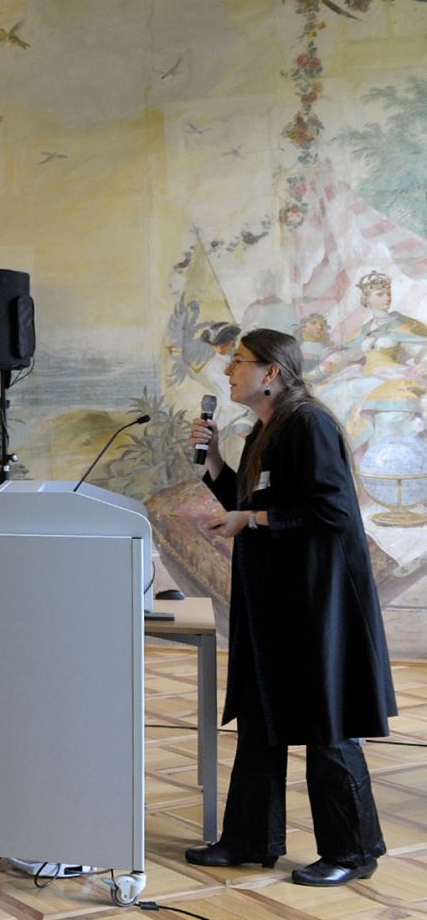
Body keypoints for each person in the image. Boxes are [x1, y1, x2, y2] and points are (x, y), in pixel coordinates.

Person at [184, 329, 395, 887]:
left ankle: (353, 852)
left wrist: (250, 521)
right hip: (276, 604)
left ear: (272, 372)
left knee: (326, 724)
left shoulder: (309, 424)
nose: (228, 372)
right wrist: (213, 465)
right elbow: (252, 504)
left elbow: (333, 513)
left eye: (239, 362)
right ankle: (249, 840)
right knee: (261, 718)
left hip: (317, 603)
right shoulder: (267, 428)